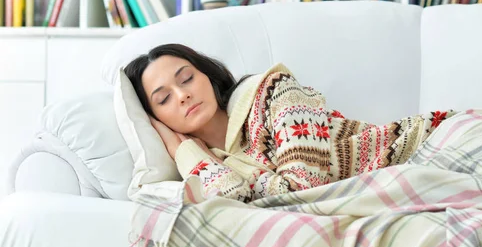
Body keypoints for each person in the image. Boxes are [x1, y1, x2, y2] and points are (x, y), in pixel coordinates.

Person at [124, 43, 456, 203]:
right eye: (163, 99)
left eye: (186, 78)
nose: (182, 95)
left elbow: (301, 190)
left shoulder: (274, 91)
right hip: (397, 184)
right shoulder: (210, 164)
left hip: (439, 141)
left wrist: (256, 189)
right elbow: (233, 203)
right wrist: (184, 153)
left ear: (208, 77)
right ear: (157, 120)